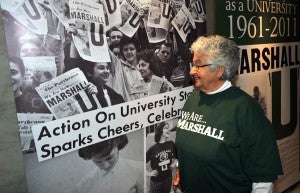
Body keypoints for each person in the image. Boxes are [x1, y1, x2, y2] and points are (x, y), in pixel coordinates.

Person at [173, 35, 283, 193]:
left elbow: (263, 178)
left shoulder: (247, 110)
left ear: (219, 70)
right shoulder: (194, 98)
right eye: (193, 64)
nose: (191, 70)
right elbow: (187, 144)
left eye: (198, 65)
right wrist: (180, 167)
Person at [68, 135, 144, 193]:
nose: (105, 166)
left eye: (109, 158)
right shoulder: (85, 183)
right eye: (98, 161)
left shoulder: (139, 169)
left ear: (118, 147)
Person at [146, 122, 177, 193]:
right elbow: (142, 162)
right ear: (160, 131)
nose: (168, 130)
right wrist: (148, 173)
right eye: (166, 128)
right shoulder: (153, 148)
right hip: (156, 182)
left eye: (168, 128)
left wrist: (173, 164)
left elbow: (178, 156)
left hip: (168, 179)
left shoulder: (171, 144)